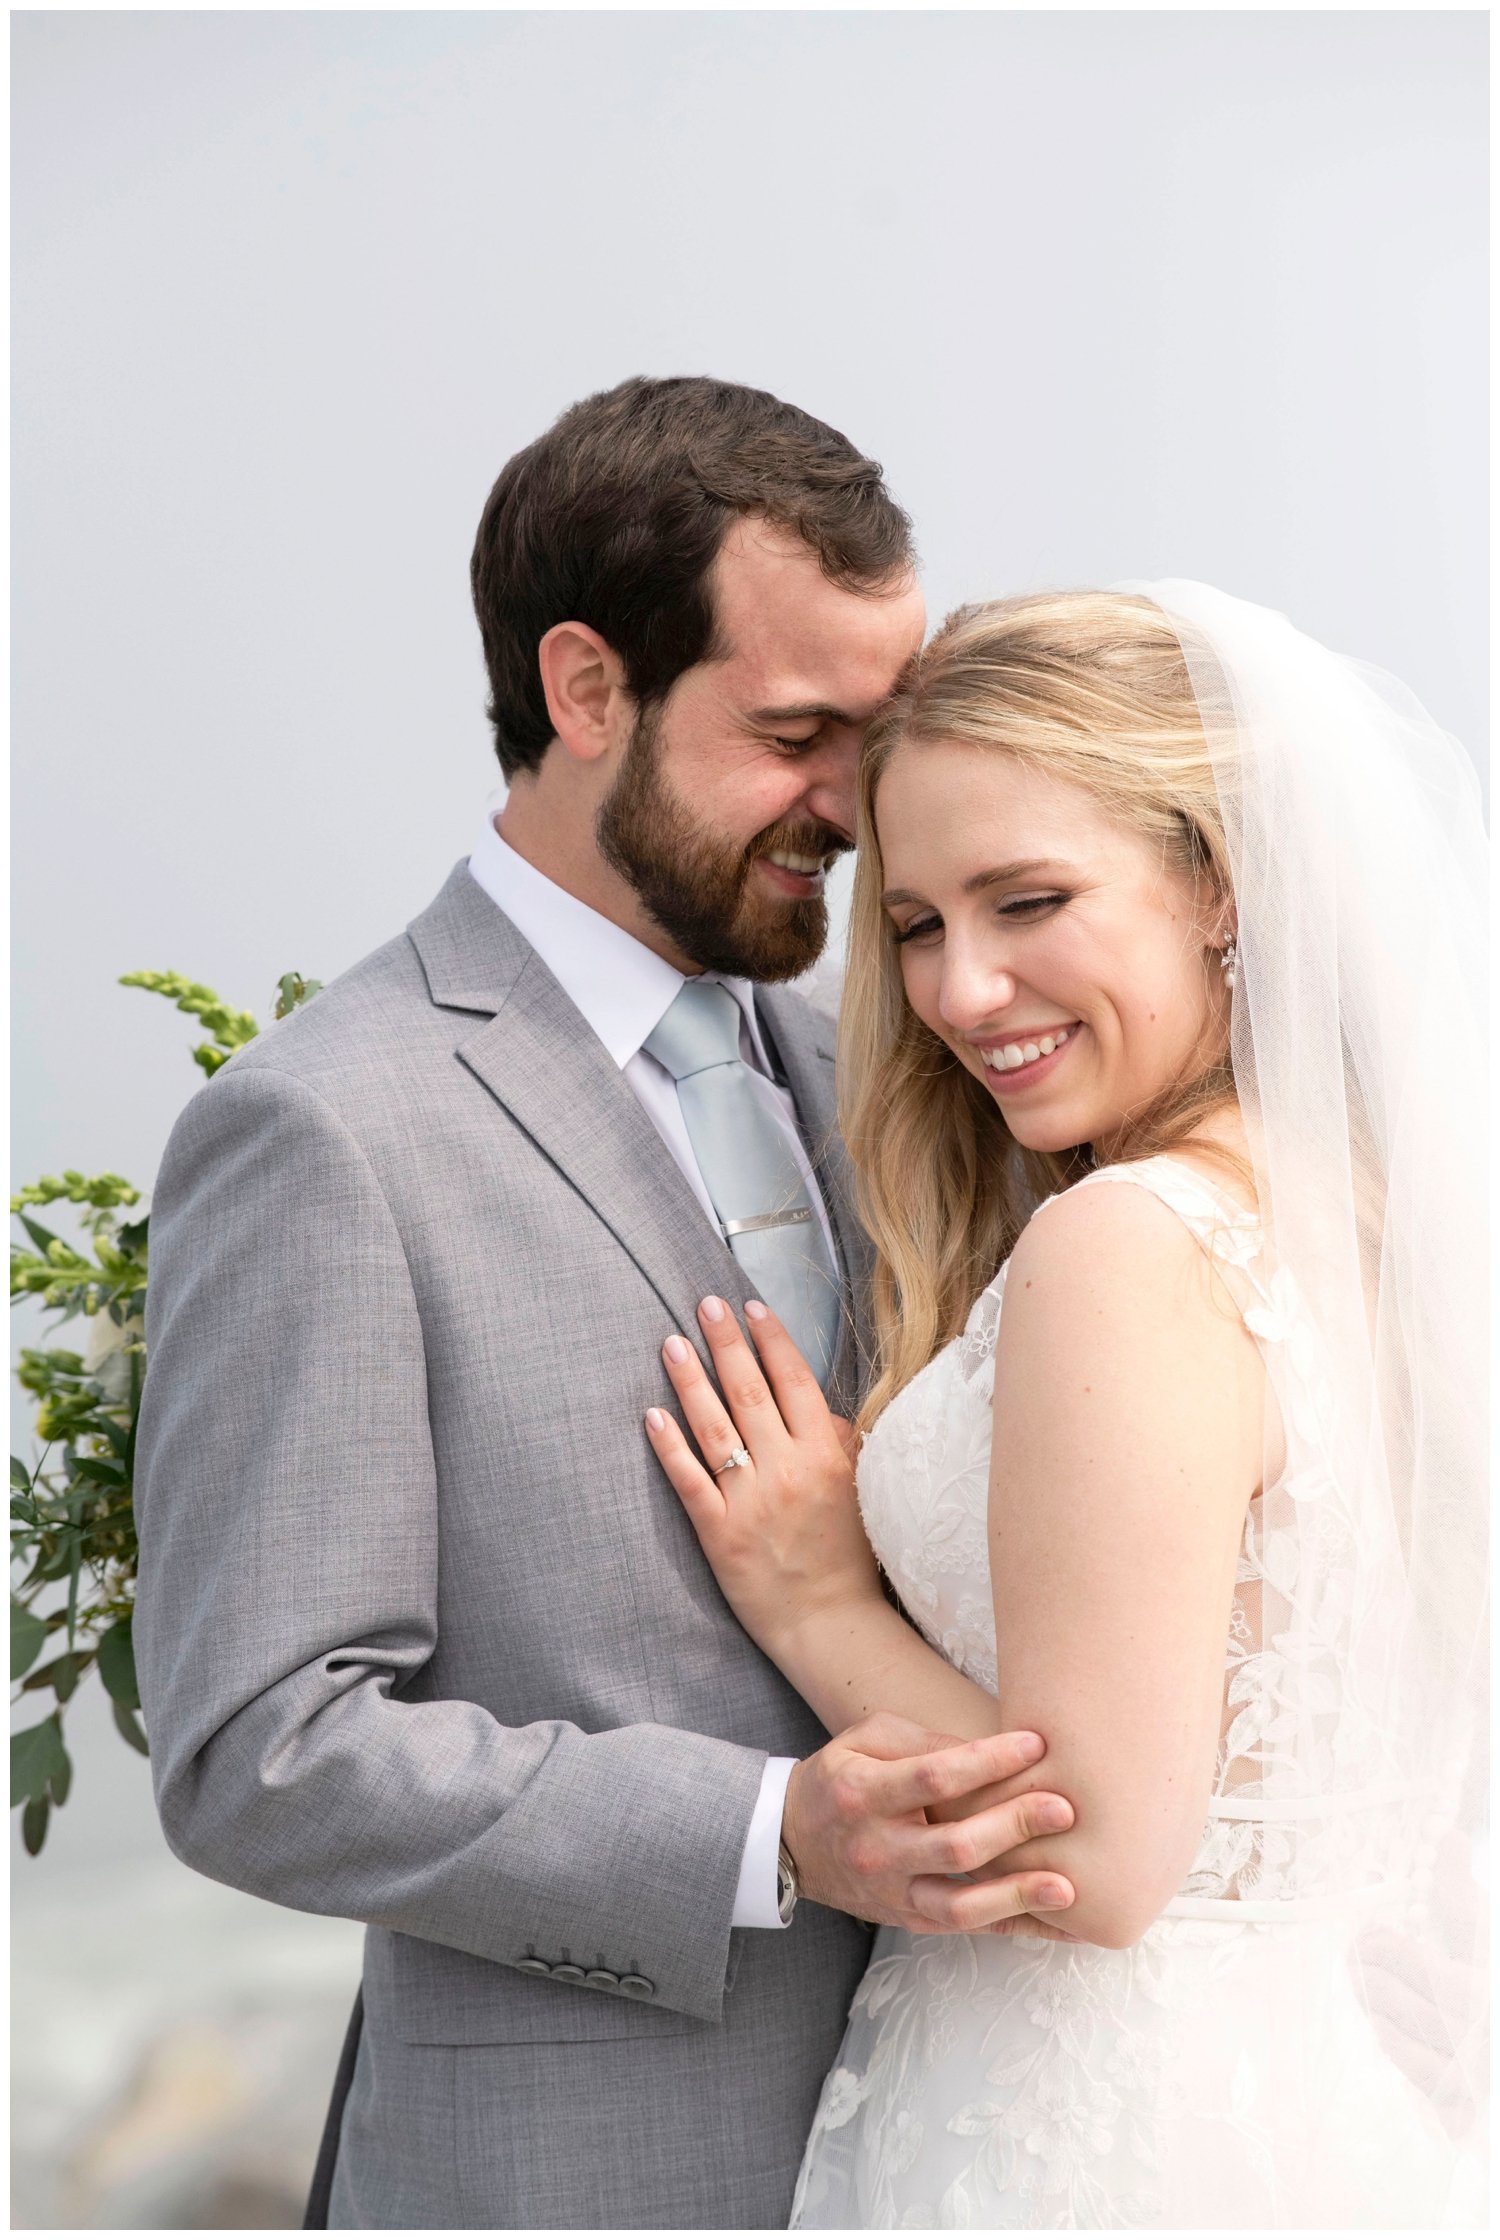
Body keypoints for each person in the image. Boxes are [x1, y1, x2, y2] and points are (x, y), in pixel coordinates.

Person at [131, 377, 1080, 2232]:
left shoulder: (890, 1066)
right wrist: (767, 1836)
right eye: (799, 732)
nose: (857, 807)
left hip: (973, 2136)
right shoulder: (322, 1129)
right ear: (585, 692)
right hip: (580, 2177)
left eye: (876, 737)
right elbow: (259, 1751)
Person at [648, 584, 1488, 2226]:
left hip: (1092, 2132)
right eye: (914, 923)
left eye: (1031, 900)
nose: (962, 993)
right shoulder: (1370, 1223)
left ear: (1219, 888)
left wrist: (817, 1598)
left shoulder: (1128, 1243)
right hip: (1322, 2103)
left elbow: (1093, 1860)